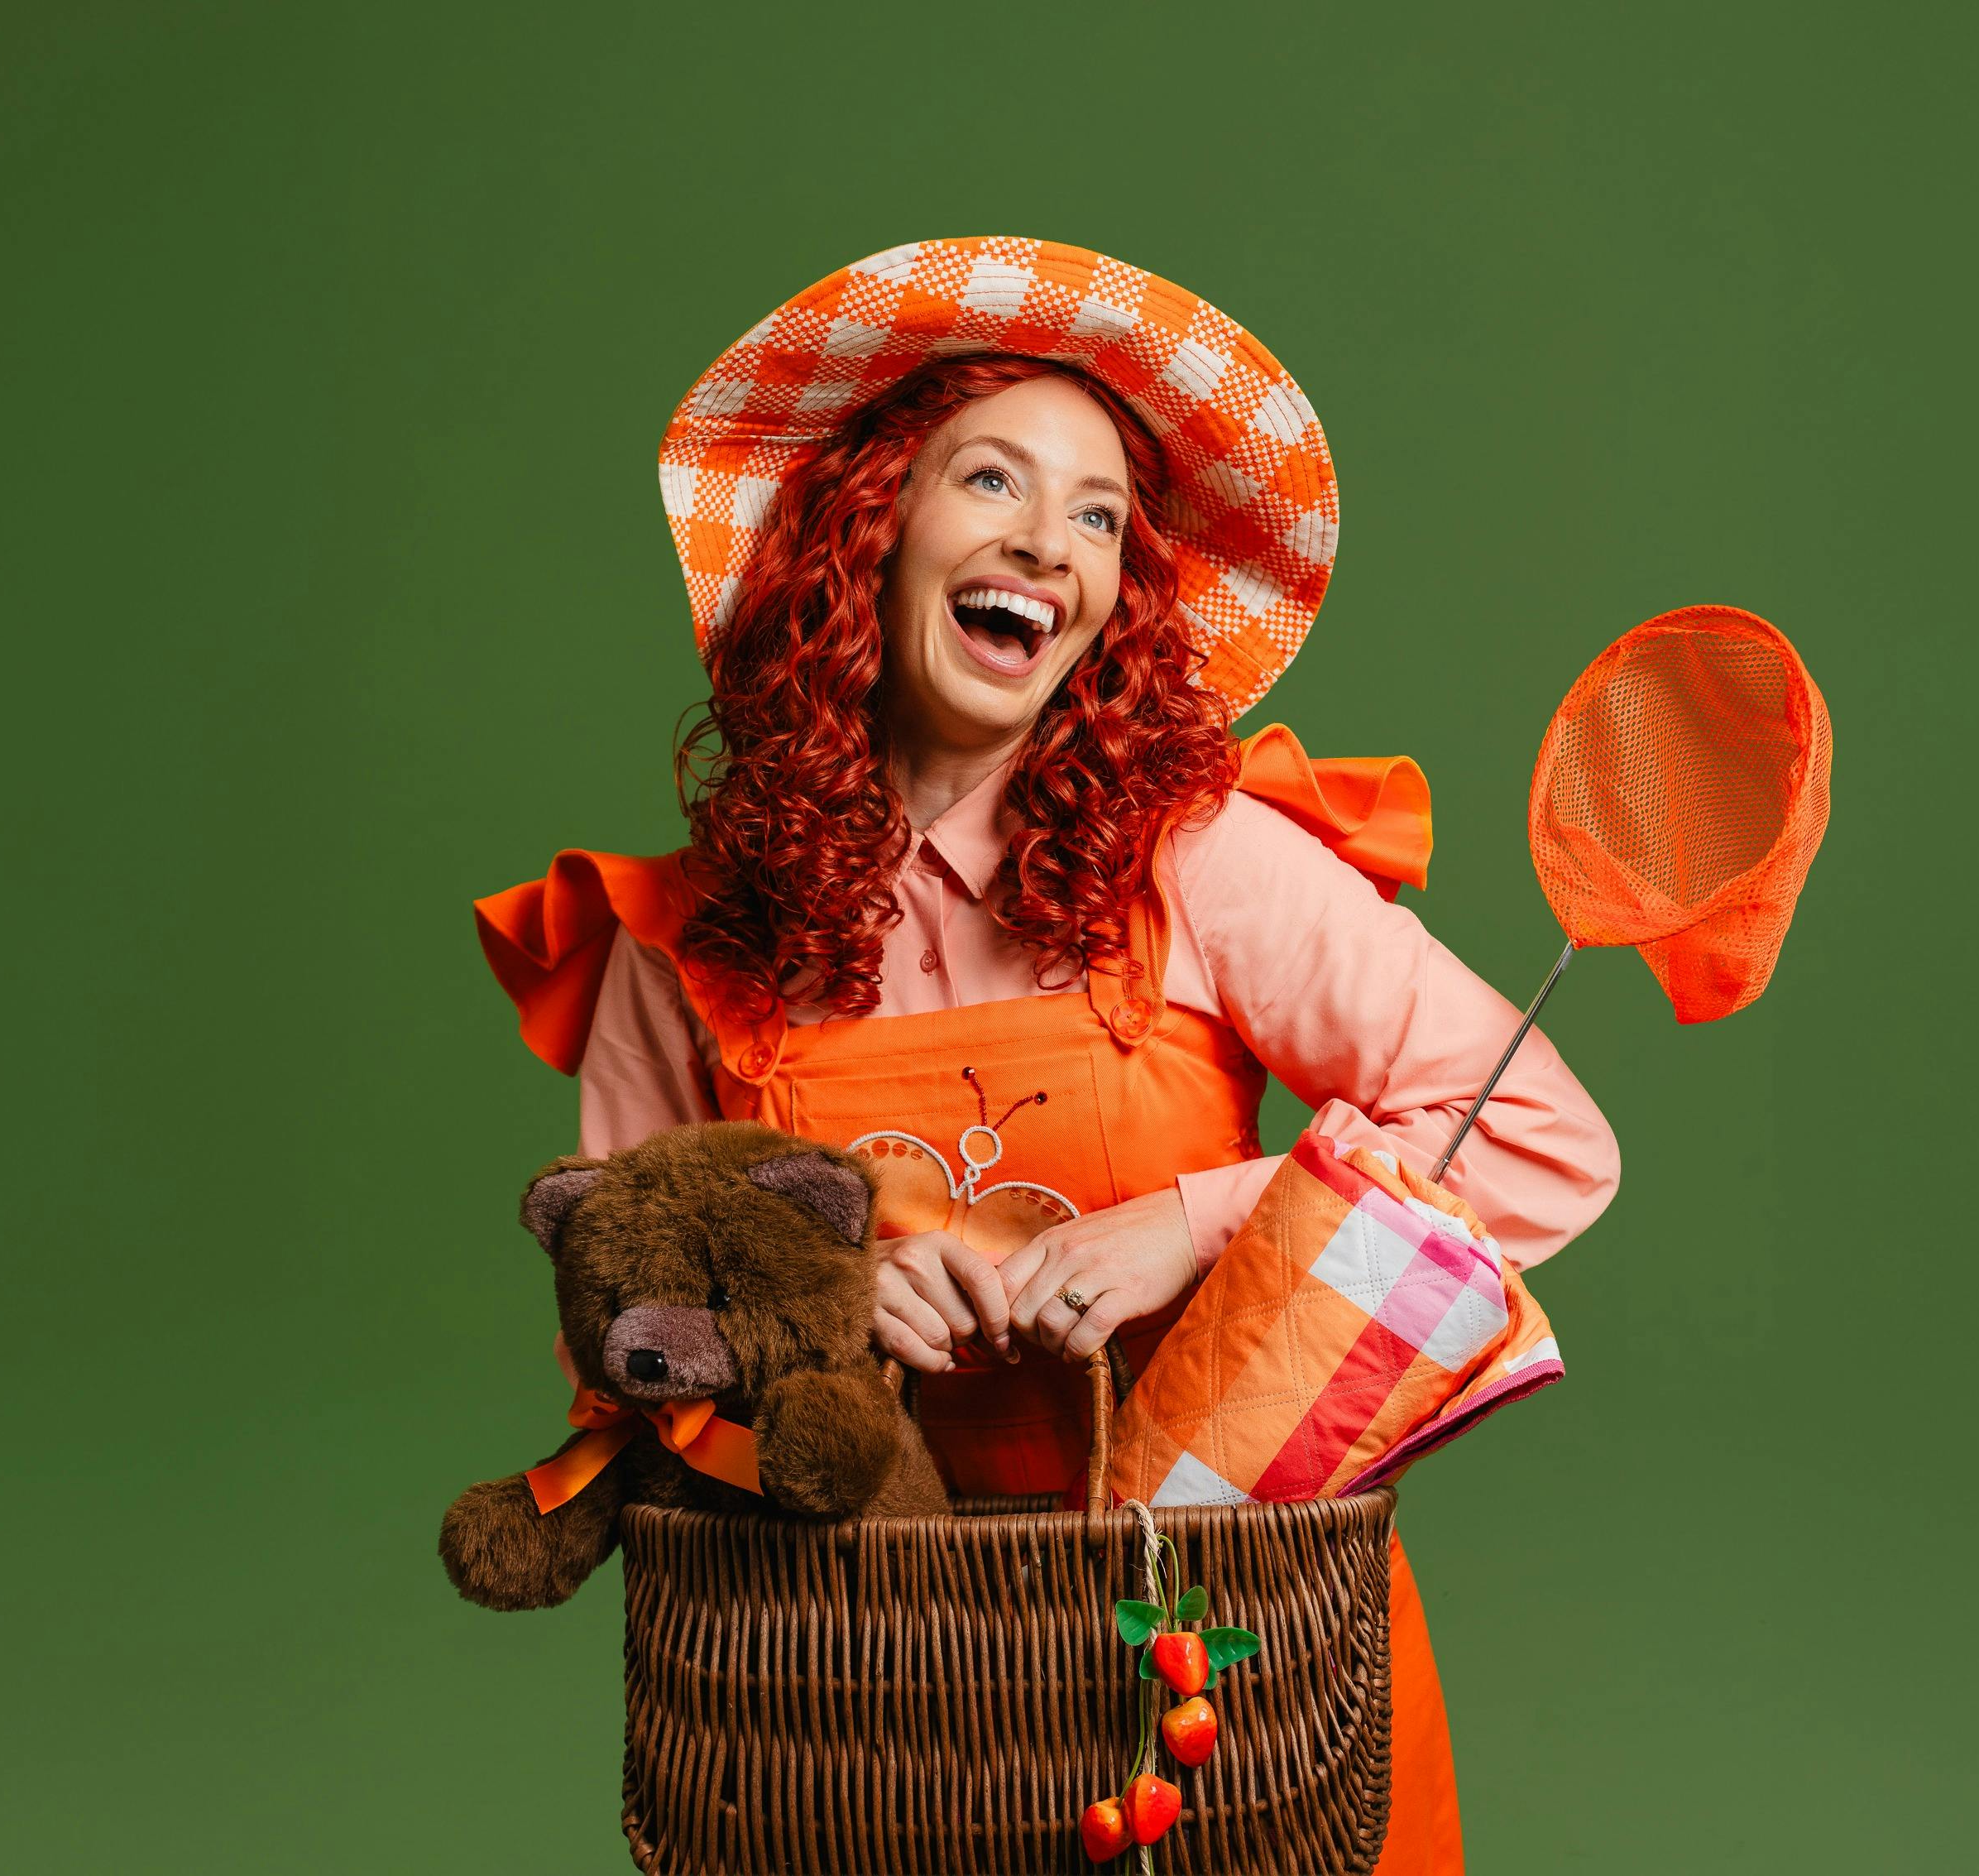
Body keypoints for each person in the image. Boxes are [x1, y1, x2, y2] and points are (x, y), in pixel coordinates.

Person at [477, 237, 1617, 1875]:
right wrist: (811, 1319)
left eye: (1098, 516)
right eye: (991, 480)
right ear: (868, 531)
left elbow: (1542, 1138)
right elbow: (627, 1351)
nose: (1047, 542)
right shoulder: (693, 942)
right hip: (856, 1736)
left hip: (1220, 1707)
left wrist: (1200, 1221)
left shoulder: (1202, 862)